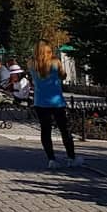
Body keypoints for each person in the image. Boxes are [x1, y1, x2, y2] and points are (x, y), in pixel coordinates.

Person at [31, 41, 81, 169]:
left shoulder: (32, 63)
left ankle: (51, 159)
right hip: (56, 102)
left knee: (45, 130)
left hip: (40, 102)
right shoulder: (55, 62)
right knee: (64, 130)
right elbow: (63, 75)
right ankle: (71, 158)